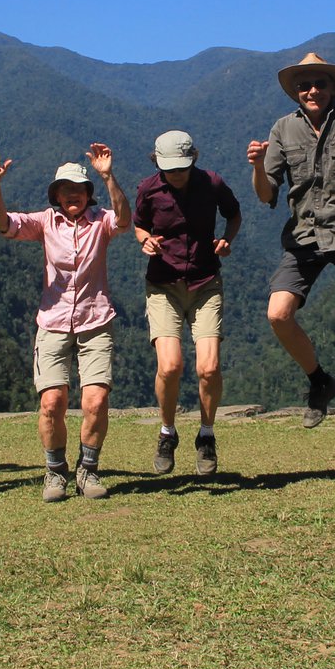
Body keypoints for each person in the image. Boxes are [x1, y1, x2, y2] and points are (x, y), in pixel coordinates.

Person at [246, 52, 335, 427]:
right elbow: (266, 194)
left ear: (332, 88)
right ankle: (318, 380)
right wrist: (258, 167)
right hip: (303, 235)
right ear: (295, 91)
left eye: (320, 84)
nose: (312, 91)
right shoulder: (282, 129)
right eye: (304, 85)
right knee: (278, 315)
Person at [0, 145, 130, 502]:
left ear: (88, 193)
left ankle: (88, 470)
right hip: (53, 322)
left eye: (78, 187)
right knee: (52, 402)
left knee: (94, 401)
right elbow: (4, 226)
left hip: (95, 321)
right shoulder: (45, 222)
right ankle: (55, 472)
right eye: (65, 189)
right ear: (56, 195)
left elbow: (125, 220)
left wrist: (108, 176)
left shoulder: (100, 221)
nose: (72, 193)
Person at [133, 130, 241, 475]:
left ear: (193, 159)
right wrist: (146, 240)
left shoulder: (212, 183)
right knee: (170, 366)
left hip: (206, 281)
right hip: (163, 283)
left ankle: (206, 435)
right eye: (169, 169)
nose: (176, 175)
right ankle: (167, 433)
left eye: (181, 168)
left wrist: (226, 240)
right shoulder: (149, 189)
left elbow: (234, 214)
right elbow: (138, 225)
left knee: (208, 367)